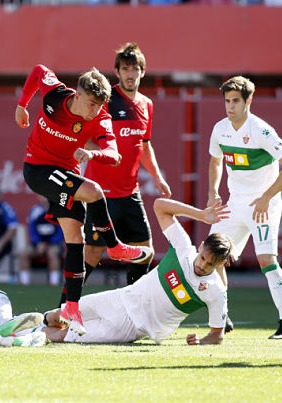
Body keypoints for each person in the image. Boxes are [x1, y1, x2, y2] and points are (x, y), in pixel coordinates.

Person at [15, 64, 152, 335]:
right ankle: (114, 247)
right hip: (38, 169)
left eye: (100, 105)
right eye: (91, 104)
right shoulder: (55, 94)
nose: (95, 110)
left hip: (65, 173)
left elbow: (114, 154)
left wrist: (92, 154)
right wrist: (22, 104)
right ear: (76, 95)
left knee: (75, 238)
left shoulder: (100, 118)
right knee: (94, 191)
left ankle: (71, 308)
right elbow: (39, 70)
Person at [39, 198, 231, 345]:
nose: (202, 266)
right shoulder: (183, 248)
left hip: (131, 327)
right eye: (203, 258)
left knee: (66, 335)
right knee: (60, 315)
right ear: (201, 246)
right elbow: (160, 205)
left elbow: (217, 335)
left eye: (210, 265)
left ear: (220, 263)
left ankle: (24, 336)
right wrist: (202, 215)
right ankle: (22, 324)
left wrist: (201, 341)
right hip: (119, 298)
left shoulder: (215, 291)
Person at [207, 76, 282, 339]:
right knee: (210, 255)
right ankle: (222, 317)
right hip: (234, 202)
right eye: (227, 101)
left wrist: (266, 197)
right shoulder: (220, 129)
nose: (230, 106)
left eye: (236, 101)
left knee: (266, 260)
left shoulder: (261, 130)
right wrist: (213, 191)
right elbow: (215, 162)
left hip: (263, 205)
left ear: (249, 101)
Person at [82, 42, 171, 287]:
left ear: (142, 71)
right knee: (92, 252)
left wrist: (157, 176)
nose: (130, 74)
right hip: (101, 192)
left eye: (134, 69)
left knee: (145, 252)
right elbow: (83, 135)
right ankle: (65, 306)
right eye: (125, 69)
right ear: (117, 72)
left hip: (130, 193)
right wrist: (103, 152)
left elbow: (144, 146)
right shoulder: (106, 100)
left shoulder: (146, 105)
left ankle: (132, 306)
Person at [18, 197, 64, 286]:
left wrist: (48, 243)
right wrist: (38, 243)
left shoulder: (58, 210)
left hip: (54, 243)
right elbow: (31, 229)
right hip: (37, 244)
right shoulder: (35, 210)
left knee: (52, 253)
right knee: (24, 253)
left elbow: (61, 231)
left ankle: (54, 282)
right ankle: (24, 282)